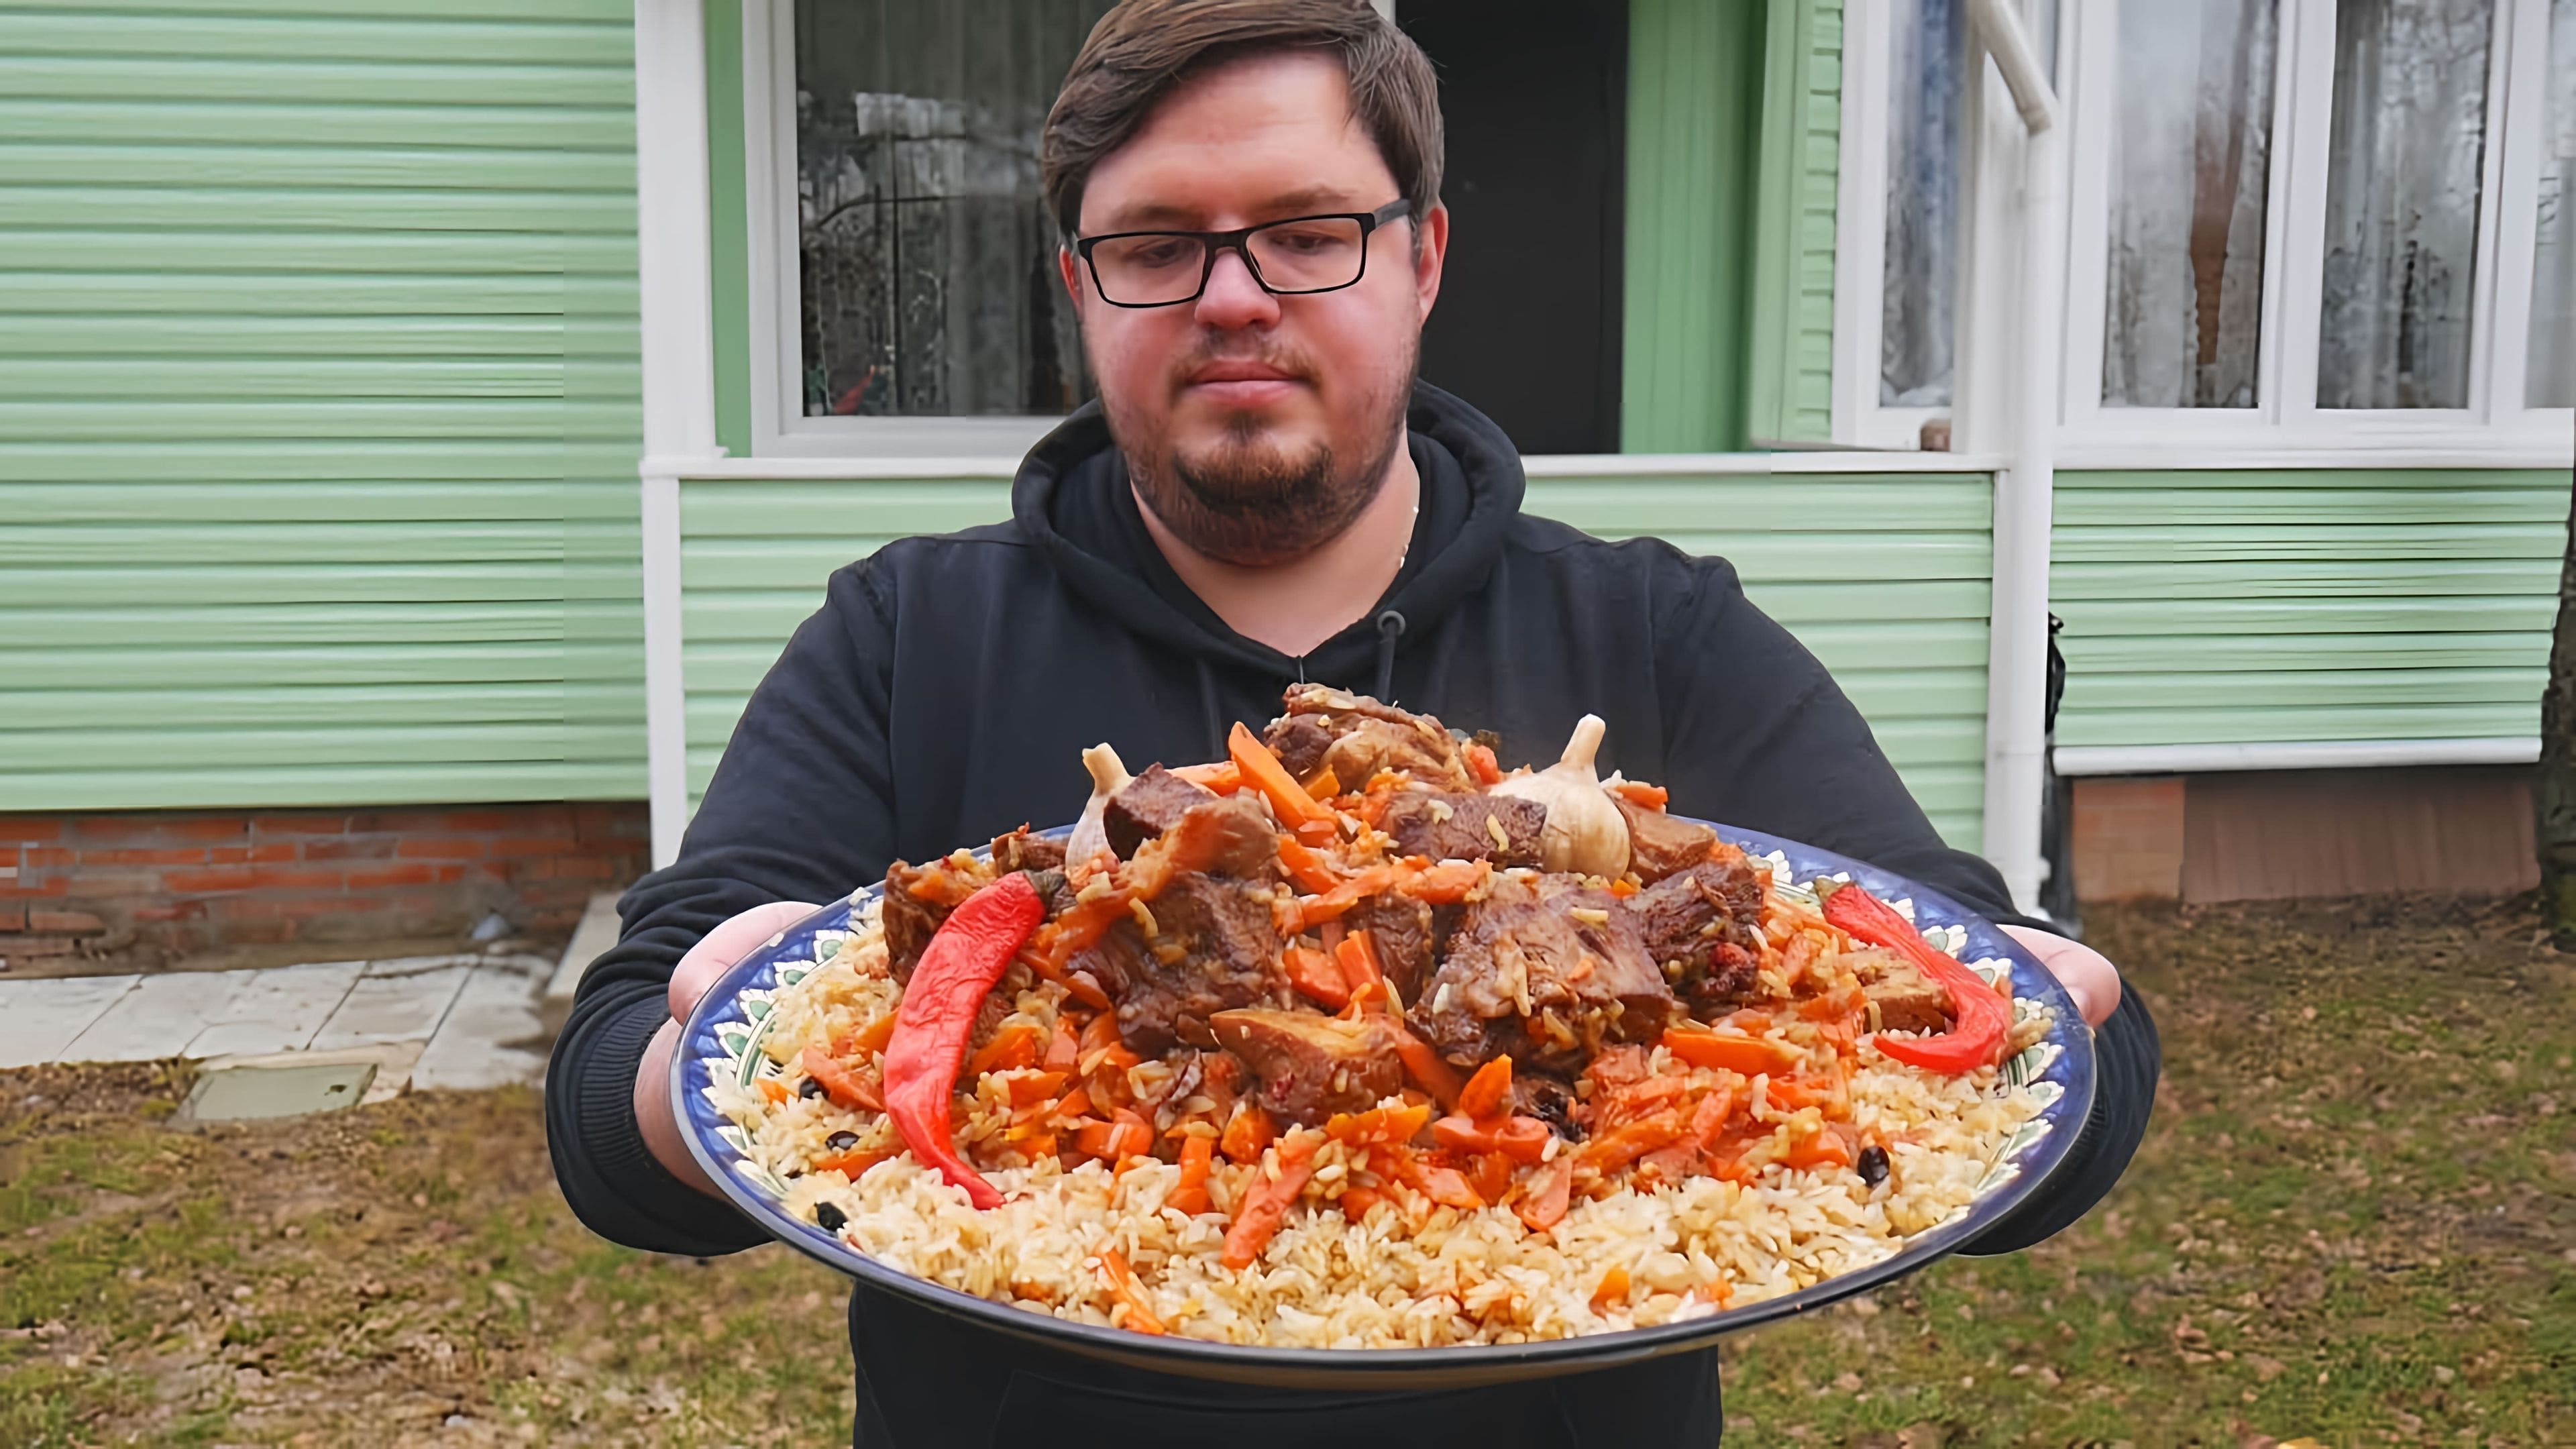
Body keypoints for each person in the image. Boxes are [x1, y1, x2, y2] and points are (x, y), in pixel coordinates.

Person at [547, 3, 2159, 1442]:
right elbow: (613, 1105)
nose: (1232, 299)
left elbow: (2019, 1026)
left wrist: (2053, 1040)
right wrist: (717, 1068)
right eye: (1155, 245)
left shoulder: (1657, 627)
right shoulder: (907, 633)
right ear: (1079, 285)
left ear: (1423, 257)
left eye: (1308, 233)